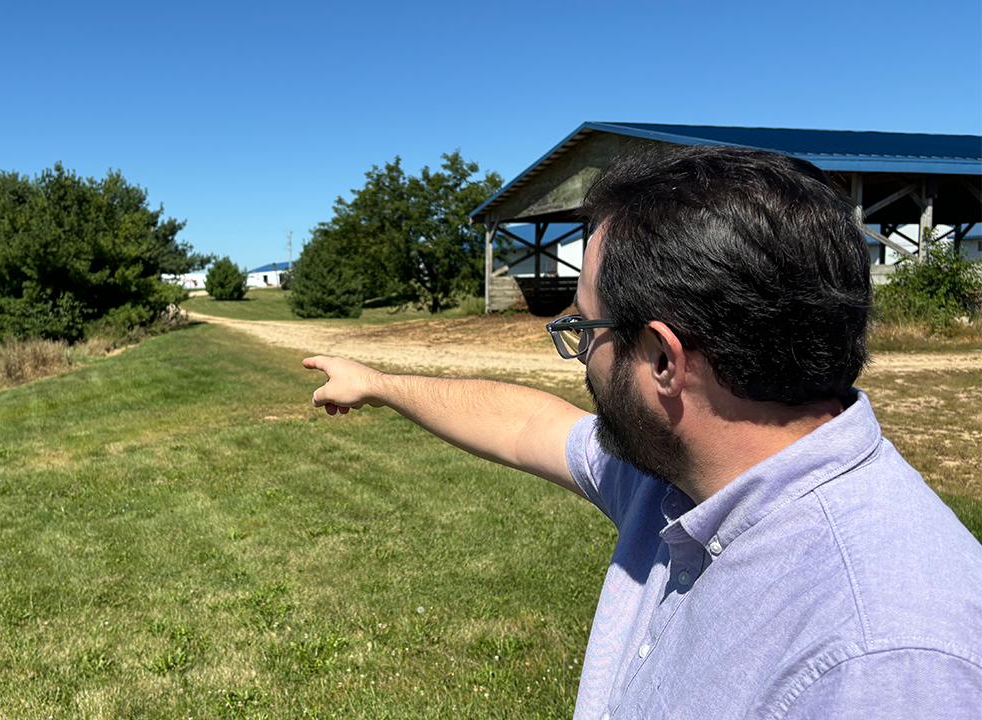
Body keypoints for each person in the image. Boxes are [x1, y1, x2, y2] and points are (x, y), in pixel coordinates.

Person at [303, 146, 982, 719]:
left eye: (586, 332)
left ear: (662, 360)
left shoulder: (885, 660)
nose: (580, 358)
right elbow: (525, 424)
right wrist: (381, 384)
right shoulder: (680, 474)